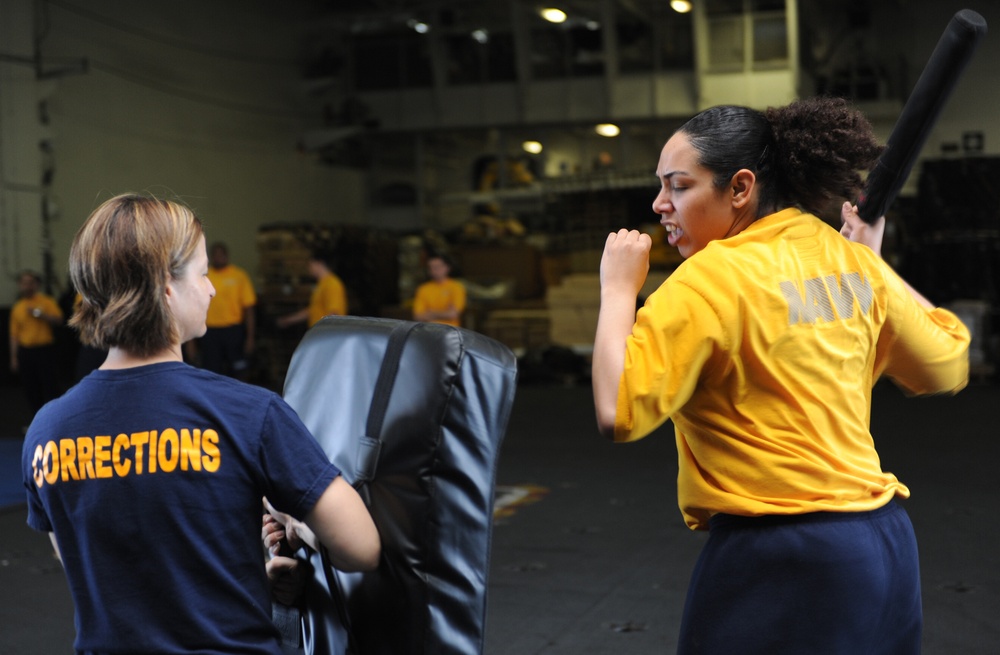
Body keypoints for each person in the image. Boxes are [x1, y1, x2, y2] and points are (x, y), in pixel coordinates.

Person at [591, 98, 971, 653]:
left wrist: (618, 290)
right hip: (885, 546)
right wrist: (873, 263)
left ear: (740, 188)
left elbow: (617, 410)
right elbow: (948, 364)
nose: (660, 204)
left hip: (782, 555)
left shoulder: (710, 279)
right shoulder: (851, 266)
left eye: (678, 186)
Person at [22, 194, 380, 654]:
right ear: (166, 287)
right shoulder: (249, 414)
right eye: (204, 273)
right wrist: (295, 522)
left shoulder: (46, 432)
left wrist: (247, 581)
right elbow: (361, 548)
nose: (212, 289)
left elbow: (94, 569)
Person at [187, 241, 257, 378]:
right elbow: (192, 308)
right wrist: (190, 342)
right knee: (211, 371)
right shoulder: (203, 277)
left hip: (233, 332)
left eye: (221, 254)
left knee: (238, 371)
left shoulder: (239, 276)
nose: (218, 257)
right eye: (215, 255)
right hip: (209, 333)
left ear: (227, 256)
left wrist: (250, 337)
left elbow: (249, 309)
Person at [9, 270, 64, 415]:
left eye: (31, 283)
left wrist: (42, 315)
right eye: (24, 283)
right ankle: (36, 422)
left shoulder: (46, 301)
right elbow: (14, 335)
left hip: (44, 351)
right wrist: (14, 357)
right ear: (20, 285)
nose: (28, 286)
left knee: (50, 386)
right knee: (31, 388)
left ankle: (56, 419)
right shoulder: (17, 307)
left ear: (36, 285)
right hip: (26, 352)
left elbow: (59, 320)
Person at [277, 248, 347, 329]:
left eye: (310, 264)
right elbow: (312, 310)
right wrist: (288, 320)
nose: (309, 268)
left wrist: (327, 337)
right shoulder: (322, 284)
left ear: (319, 263)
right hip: (319, 336)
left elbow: (334, 314)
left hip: (326, 336)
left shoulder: (332, 284)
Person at [412, 253, 466, 327]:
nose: (434, 270)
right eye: (431, 267)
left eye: (437, 267)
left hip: (450, 330)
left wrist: (431, 313)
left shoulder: (456, 287)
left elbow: (453, 314)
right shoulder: (423, 289)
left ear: (447, 267)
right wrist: (444, 313)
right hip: (428, 329)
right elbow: (418, 316)